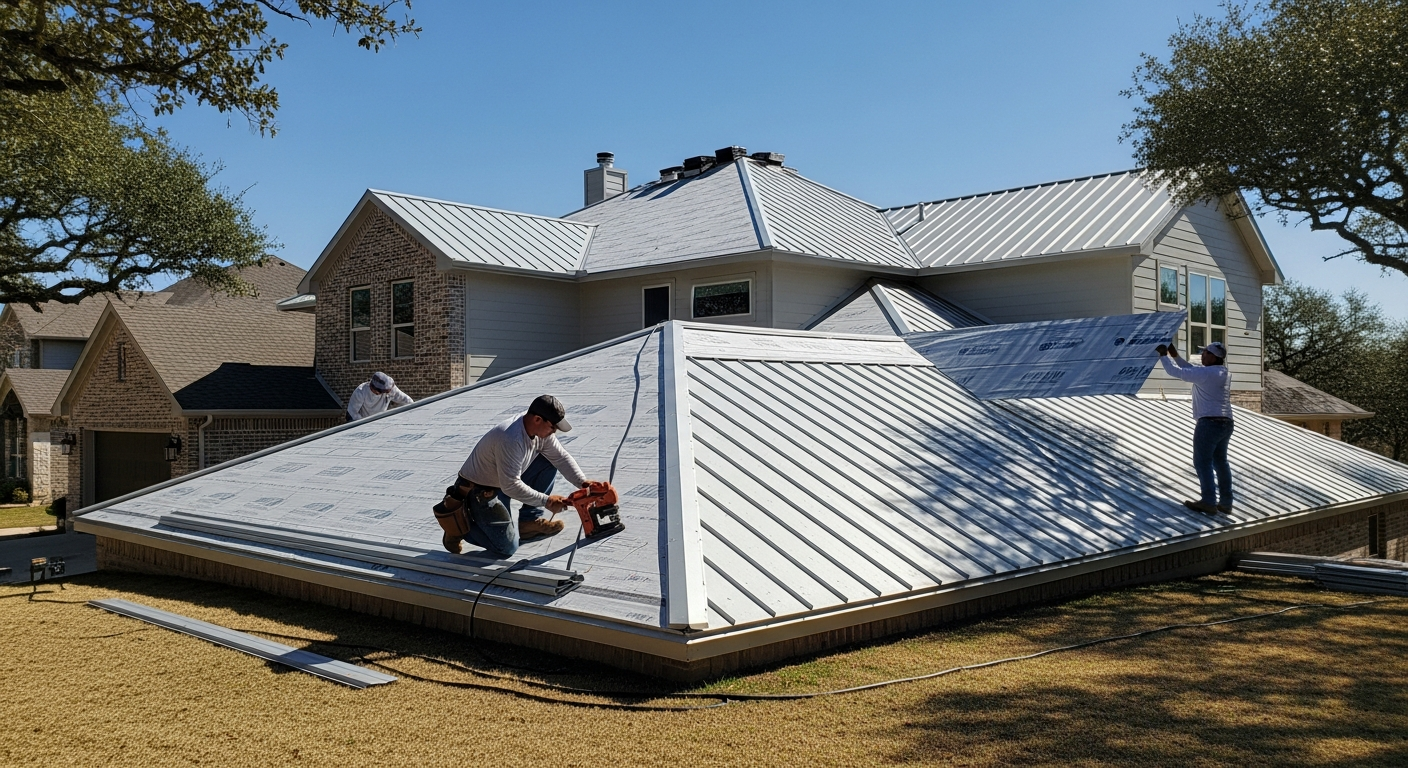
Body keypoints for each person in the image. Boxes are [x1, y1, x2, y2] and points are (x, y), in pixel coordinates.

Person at [441, 394, 597, 557]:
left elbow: (560, 457)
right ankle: (458, 528)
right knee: (507, 548)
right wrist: (547, 501)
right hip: (479, 491)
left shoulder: (539, 430)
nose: (554, 432)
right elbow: (511, 486)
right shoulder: (511, 438)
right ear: (537, 419)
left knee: (549, 460)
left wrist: (583, 483)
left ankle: (528, 522)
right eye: (552, 427)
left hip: (502, 481)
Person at [1157, 340, 1234, 514]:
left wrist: (1163, 354)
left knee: (1202, 461)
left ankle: (1208, 501)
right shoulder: (1222, 372)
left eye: (1206, 352)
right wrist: (1174, 354)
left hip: (1209, 423)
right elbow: (1191, 369)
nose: (1202, 355)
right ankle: (1226, 503)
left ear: (1214, 357)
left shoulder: (1207, 374)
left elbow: (1175, 372)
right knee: (1221, 462)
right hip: (1226, 422)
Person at [347, 371, 413, 421]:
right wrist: (364, 425)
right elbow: (352, 414)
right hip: (364, 422)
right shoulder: (361, 392)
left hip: (381, 422)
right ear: (375, 390)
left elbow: (406, 400)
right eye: (384, 391)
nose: (386, 393)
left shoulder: (390, 390)